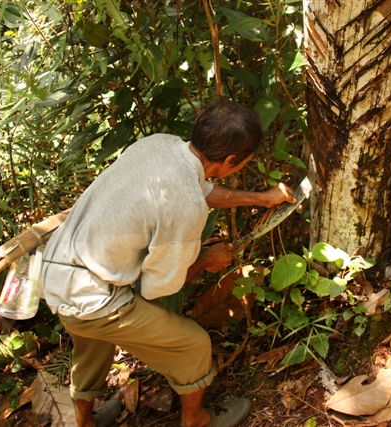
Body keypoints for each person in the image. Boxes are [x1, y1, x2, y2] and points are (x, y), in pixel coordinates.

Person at [39, 99, 295, 427]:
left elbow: (202, 190)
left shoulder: (159, 145)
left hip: (59, 270)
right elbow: (157, 288)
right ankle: (196, 420)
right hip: (94, 297)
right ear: (231, 160)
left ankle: (85, 422)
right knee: (193, 345)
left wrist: (262, 199)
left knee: (92, 344)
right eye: (244, 160)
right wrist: (204, 261)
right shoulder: (186, 204)